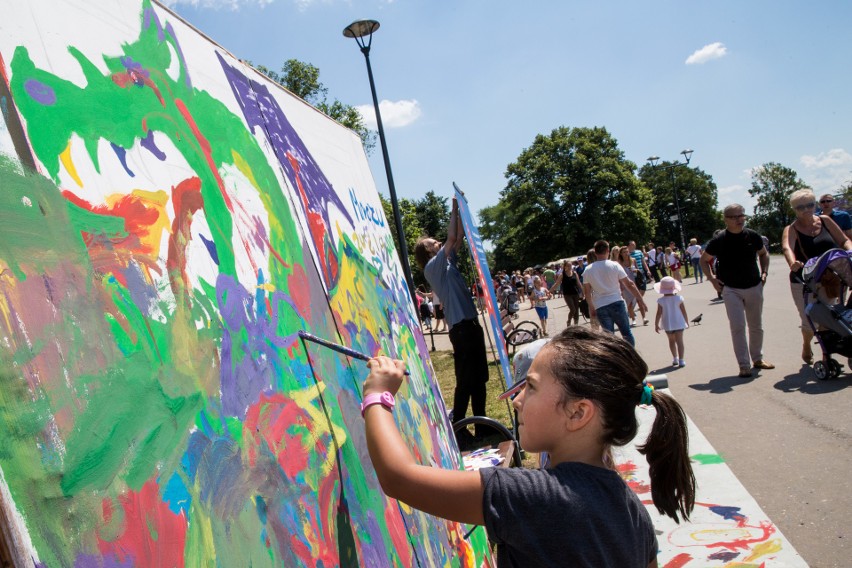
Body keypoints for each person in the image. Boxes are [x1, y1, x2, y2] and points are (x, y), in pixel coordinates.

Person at [361, 326, 696, 568]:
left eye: (531, 388)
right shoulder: (630, 509)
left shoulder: (533, 496)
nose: (518, 400)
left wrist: (378, 395)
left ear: (578, 412)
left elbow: (399, 478)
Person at [414, 197, 490, 436]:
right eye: (435, 242)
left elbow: (457, 238)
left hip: (471, 327)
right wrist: (454, 208)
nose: (439, 243)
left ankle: (482, 425)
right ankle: (458, 428)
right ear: (429, 251)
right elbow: (453, 239)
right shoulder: (432, 267)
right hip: (461, 330)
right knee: (466, 380)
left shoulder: (447, 263)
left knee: (480, 379)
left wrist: (460, 212)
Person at [700, 204, 775, 378]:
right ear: (726, 219)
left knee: (756, 325)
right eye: (734, 217)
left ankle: (757, 358)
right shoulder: (719, 240)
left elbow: (763, 254)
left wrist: (764, 273)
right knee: (738, 326)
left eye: (742, 215)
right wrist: (712, 279)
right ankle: (744, 365)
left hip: (754, 285)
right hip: (731, 289)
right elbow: (704, 260)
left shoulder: (753, 236)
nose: (739, 219)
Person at [781, 189, 852, 363]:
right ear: (794, 209)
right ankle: (806, 343)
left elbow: (844, 240)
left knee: (832, 317)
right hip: (805, 280)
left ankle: (825, 355)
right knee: (809, 321)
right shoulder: (792, 229)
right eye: (800, 207)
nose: (806, 209)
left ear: (815, 205)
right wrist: (793, 263)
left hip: (833, 278)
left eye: (810, 205)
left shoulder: (826, 221)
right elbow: (786, 247)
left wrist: (850, 250)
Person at [582, 240, 648, 346]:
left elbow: (587, 292)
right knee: (626, 333)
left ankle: (615, 359)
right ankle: (630, 357)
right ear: (608, 250)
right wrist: (641, 300)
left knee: (609, 337)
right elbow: (629, 284)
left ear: (595, 252)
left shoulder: (588, 270)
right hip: (616, 301)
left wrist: (592, 308)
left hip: (600, 305)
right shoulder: (614, 265)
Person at [654, 276, 689, 368]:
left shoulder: (661, 301)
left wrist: (656, 324)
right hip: (679, 323)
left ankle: (675, 358)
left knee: (671, 341)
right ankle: (681, 360)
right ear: (674, 288)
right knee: (680, 341)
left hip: (667, 324)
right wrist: (687, 321)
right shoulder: (679, 298)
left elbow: (658, 314)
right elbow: (683, 311)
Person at [617, 246, 648, 326]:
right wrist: (620, 287)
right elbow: (618, 276)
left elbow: (639, 270)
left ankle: (644, 318)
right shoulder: (619, 263)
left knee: (639, 300)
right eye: (624, 252)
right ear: (621, 253)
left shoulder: (633, 260)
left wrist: (636, 270)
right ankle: (633, 319)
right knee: (629, 303)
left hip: (635, 283)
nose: (626, 253)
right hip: (625, 285)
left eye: (627, 251)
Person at [550, 260, 583, 326]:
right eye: (568, 266)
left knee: (576, 310)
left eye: (570, 265)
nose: (570, 267)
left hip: (575, 293)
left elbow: (578, 283)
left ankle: (576, 325)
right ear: (565, 266)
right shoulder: (562, 275)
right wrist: (550, 290)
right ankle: (569, 321)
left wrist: (583, 291)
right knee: (573, 309)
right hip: (567, 294)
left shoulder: (574, 273)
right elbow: (557, 284)